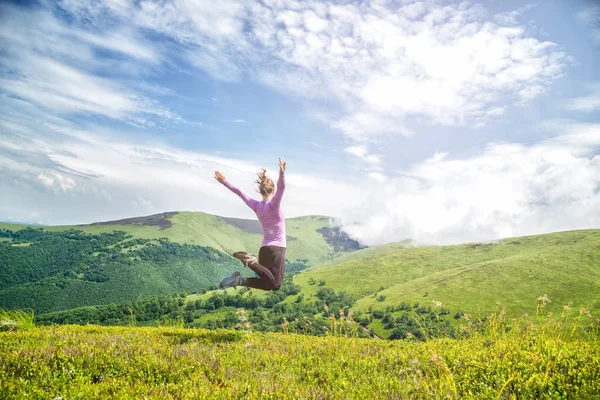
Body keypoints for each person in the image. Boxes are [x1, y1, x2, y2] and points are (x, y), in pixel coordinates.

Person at [215, 157, 287, 291]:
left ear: (261, 191)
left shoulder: (256, 206)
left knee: (268, 284)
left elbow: (240, 193)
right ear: (273, 190)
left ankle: (240, 280)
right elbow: (282, 188)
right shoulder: (274, 205)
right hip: (277, 249)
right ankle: (250, 261)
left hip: (264, 250)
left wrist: (224, 181)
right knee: (276, 285)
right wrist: (282, 173)